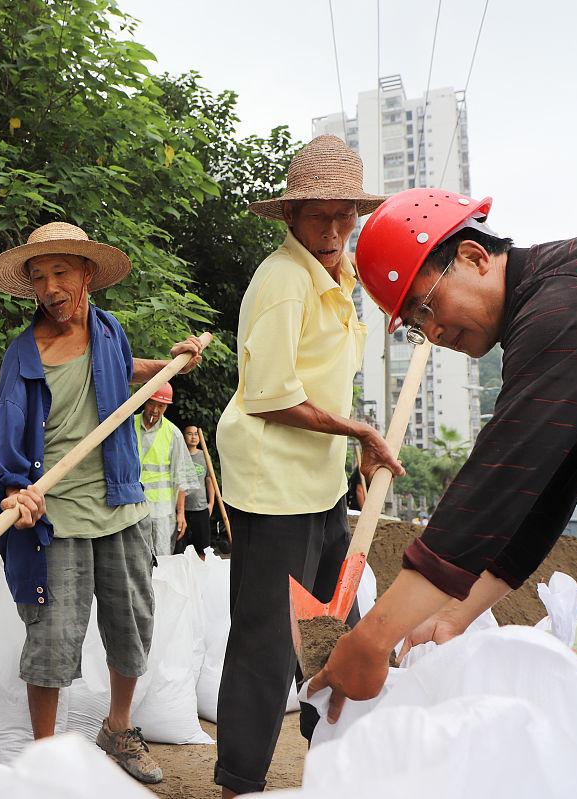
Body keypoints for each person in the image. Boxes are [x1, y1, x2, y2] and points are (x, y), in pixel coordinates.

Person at [309, 188, 577, 720]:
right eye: (415, 323)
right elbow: (539, 490)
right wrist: (454, 615)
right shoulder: (553, 316)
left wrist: (372, 637)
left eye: (426, 306)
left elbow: (501, 477)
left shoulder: (567, 301)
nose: (431, 332)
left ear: (475, 257)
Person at [212, 135, 403, 798]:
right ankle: (240, 780)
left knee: (331, 627)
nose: (331, 230)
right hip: (273, 489)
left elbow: (327, 379)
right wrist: (357, 431)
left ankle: (333, 757)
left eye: (343, 216)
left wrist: (349, 449)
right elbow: (271, 395)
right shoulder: (284, 280)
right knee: (267, 640)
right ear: (290, 218)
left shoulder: (337, 276)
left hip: (319, 485)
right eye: (318, 217)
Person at [0, 222, 203, 784]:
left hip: (121, 504)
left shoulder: (109, 332)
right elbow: (7, 433)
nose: (51, 287)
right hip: (55, 516)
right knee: (53, 637)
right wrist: (14, 491)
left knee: (131, 626)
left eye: (61, 273)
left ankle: (119, 728)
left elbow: (118, 372)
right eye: (39, 277)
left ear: (87, 275)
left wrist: (169, 365)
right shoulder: (24, 355)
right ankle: (45, 758)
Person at [135, 384, 197, 556]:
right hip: (133, 507)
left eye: (161, 406)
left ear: (166, 407)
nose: (155, 410)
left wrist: (181, 513)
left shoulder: (173, 433)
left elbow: (181, 476)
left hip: (162, 510)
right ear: (145, 401)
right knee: (134, 557)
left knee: (162, 557)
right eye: (151, 403)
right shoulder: (128, 426)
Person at [177, 424, 216, 559]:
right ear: (183, 436)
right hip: (182, 509)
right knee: (179, 548)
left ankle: (202, 575)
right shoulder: (179, 456)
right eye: (190, 434)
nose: (193, 437)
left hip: (200, 507)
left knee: (203, 548)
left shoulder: (204, 456)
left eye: (196, 434)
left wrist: (211, 503)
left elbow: (210, 480)